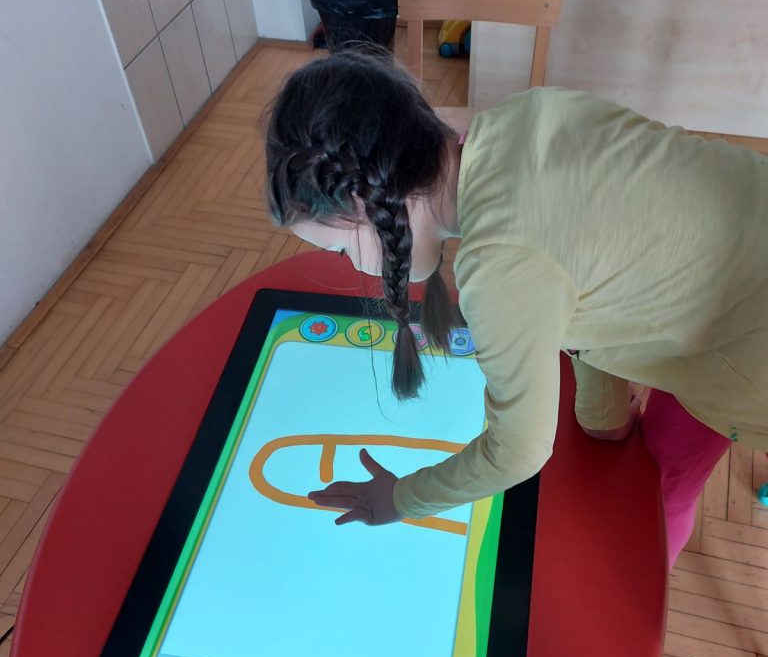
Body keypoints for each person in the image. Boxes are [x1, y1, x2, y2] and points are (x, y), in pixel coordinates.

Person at [265, 48, 768, 566]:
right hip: (741, 237)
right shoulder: (526, 114)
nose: (353, 265)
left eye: (340, 249)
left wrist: (399, 499)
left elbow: (519, 452)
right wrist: (603, 417)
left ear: (368, 204)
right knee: (661, 476)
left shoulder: (498, 268)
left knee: (655, 507)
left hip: (749, 350)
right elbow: (591, 261)